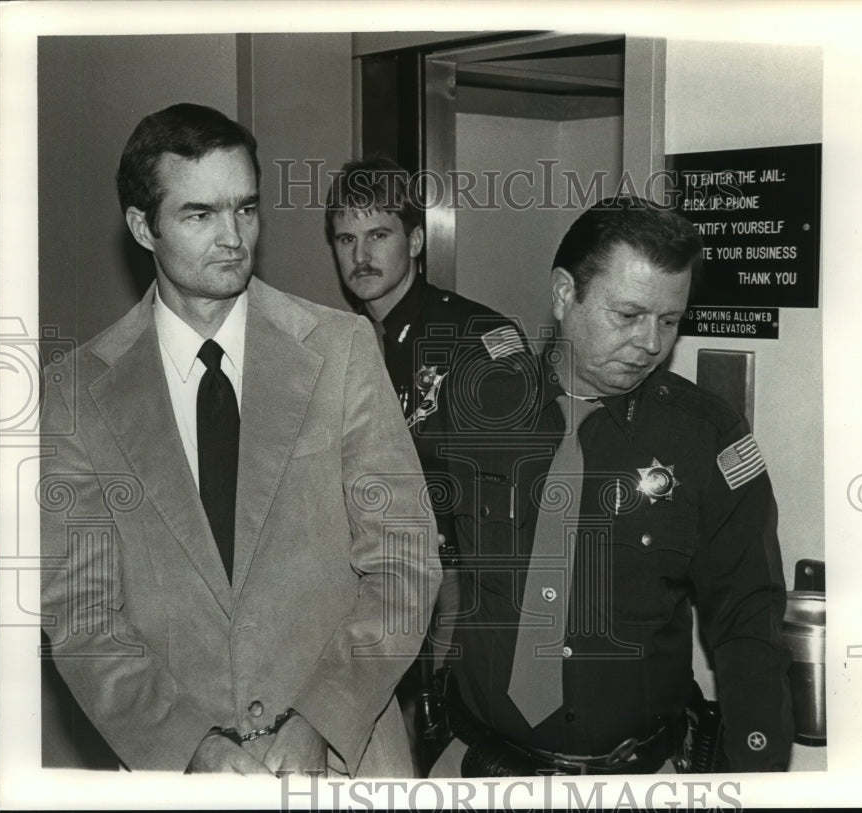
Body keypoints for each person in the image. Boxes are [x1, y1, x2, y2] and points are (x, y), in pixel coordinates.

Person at [39, 103, 440, 775]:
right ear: (144, 226)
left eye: (246, 209)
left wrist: (323, 717)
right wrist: (185, 744)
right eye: (199, 215)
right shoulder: (77, 391)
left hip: (345, 761)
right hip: (177, 775)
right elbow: (81, 614)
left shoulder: (338, 349)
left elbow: (405, 564)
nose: (233, 238)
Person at [430, 196, 793, 776]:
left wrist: (754, 774)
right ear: (563, 293)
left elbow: (748, 620)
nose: (651, 343)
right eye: (628, 315)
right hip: (480, 764)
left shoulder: (706, 439)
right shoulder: (477, 399)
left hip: (639, 775)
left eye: (670, 321)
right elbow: (423, 547)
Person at [325, 157, 529, 773]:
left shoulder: (477, 338)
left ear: (414, 240)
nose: (360, 254)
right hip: (366, 592)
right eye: (345, 238)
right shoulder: (336, 346)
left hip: (454, 592)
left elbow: (512, 497)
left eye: (379, 234)